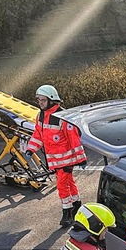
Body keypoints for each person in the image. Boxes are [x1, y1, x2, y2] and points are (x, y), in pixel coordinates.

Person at [27, 84, 84, 227]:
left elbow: (74, 139)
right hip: (54, 160)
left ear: (52, 100)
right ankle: (77, 204)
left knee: (62, 185)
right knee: (69, 182)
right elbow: (38, 135)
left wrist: (81, 158)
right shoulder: (40, 116)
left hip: (66, 160)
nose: (40, 103)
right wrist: (31, 149)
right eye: (39, 100)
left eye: (42, 100)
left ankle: (67, 212)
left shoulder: (62, 117)